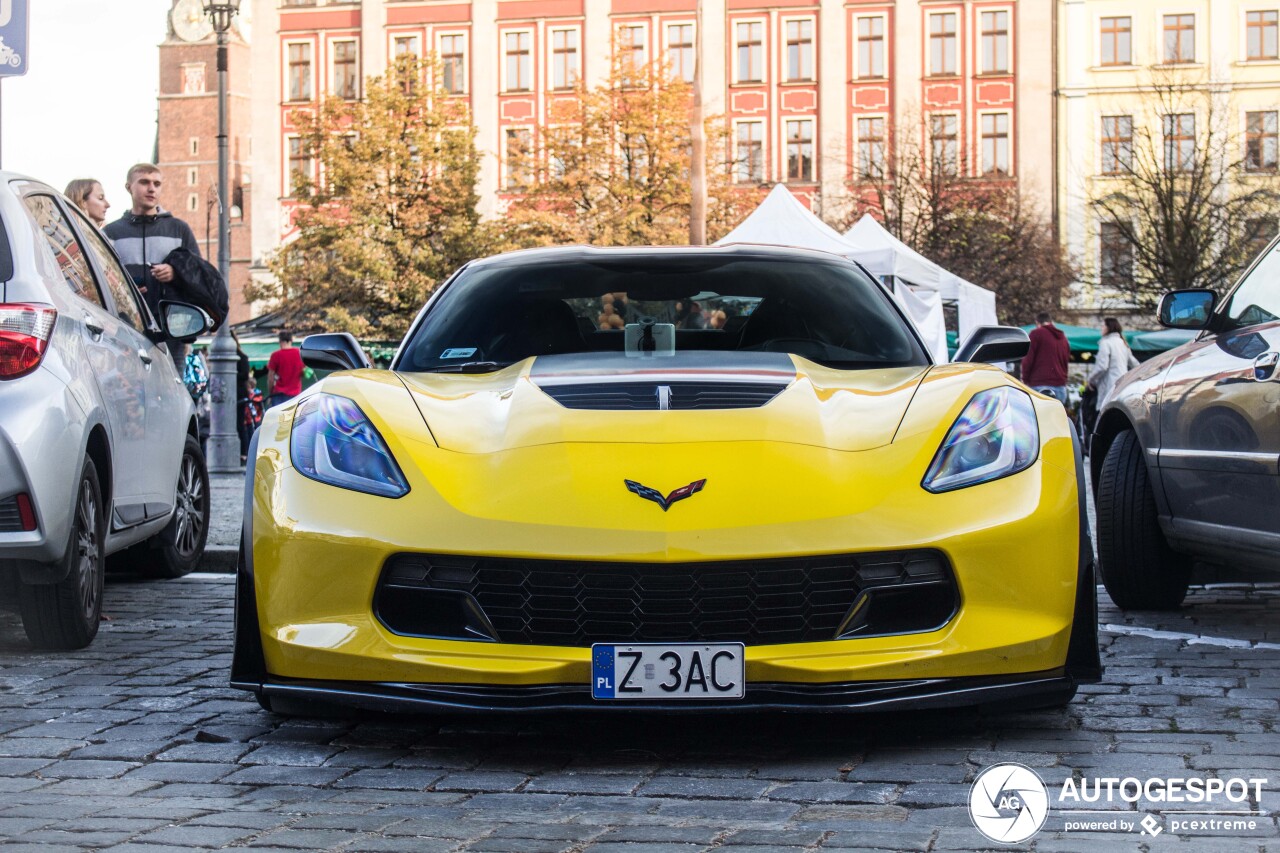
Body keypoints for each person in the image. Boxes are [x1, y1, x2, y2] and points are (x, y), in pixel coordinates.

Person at [103, 164, 202, 367]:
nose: (152, 189)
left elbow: (199, 274)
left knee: (172, 395)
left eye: (157, 184)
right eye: (144, 182)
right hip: (126, 329)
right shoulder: (111, 233)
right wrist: (123, 290)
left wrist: (175, 272)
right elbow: (101, 278)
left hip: (171, 330)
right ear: (129, 187)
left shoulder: (179, 229)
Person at [1021, 311, 1071, 404]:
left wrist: (1025, 379)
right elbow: (1066, 360)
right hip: (1061, 387)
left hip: (1040, 385)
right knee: (1056, 418)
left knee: (1039, 418)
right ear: (1051, 322)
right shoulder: (1063, 338)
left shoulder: (1036, 333)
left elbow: (1028, 359)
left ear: (1037, 323)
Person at [1090, 317, 1139, 405]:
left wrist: (1091, 380)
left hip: (1109, 386)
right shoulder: (1123, 343)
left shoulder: (1106, 343)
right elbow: (1134, 363)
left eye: (1103, 326)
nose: (1101, 328)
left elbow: (1102, 366)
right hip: (1123, 384)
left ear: (1109, 327)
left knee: (1106, 411)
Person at [266, 330, 305, 408]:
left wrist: (270, 393)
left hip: (278, 394)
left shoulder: (275, 355)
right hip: (295, 394)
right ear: (291, 340)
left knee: (278, 419)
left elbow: (271, 378)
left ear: (280, 341)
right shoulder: (300, 353)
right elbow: (304, 373)